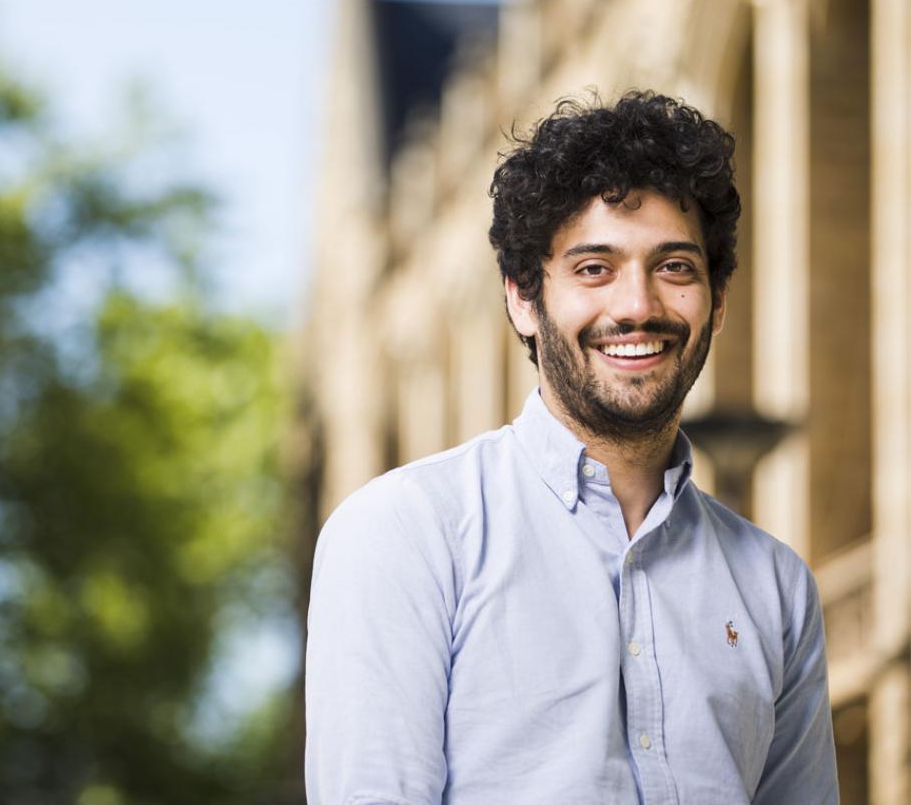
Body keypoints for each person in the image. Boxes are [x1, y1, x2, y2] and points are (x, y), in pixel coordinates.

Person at [304, 91, 838, 804]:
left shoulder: (777, 586)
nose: (637, 305)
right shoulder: (407, 532)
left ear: (717, 302)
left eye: (675, 267)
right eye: (594, 268)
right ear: (523, 299)